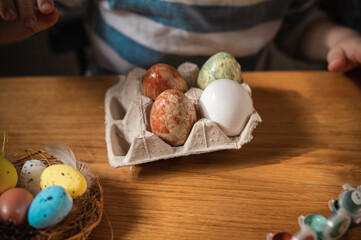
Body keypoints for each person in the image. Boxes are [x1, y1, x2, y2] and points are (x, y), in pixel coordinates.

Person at [1, 0, 361, 74]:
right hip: (117, 103)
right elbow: (44, 7)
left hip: (237, 127)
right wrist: (23, 13)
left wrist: (336, 38)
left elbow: (297, 24)